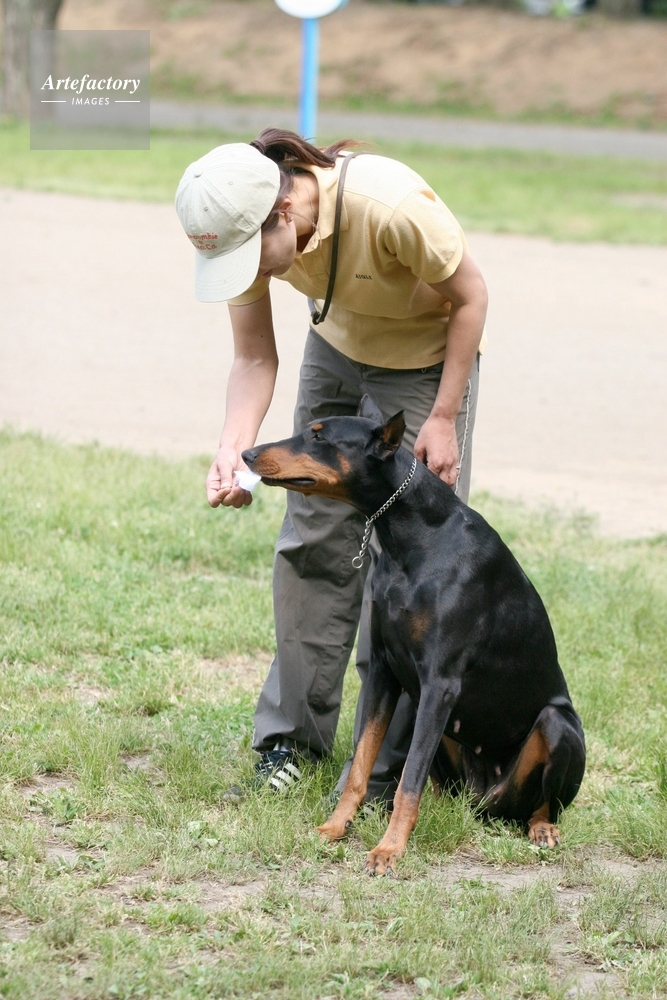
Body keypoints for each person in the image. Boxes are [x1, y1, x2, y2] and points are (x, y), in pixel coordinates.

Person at [175, 128, 488, 806]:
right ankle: (290, 741)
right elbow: (253, 356)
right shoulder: (248, 232)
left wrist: (442, 415)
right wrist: (233, 447)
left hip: (424, 364)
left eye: (249, 256)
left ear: (283, 210)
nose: (249, 273)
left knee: (414, 557)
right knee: (311, 540)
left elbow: (470, 298)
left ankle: (389, 769)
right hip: (337, 348)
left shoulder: (389, 205)